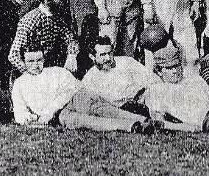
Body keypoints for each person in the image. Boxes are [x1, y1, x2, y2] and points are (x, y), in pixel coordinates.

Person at [11, 45, 159, 133]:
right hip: (61, 115)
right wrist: (28, 118)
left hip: (76, 99)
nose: (36, 65)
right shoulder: (19, 84)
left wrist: (50, 110)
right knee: (83, 121)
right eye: (31, 61)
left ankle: (144, 120)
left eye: (39, 60)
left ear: (43, 59)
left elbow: (73, 87)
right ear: (23, 61)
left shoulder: (56, 71)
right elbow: (19, 112)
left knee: (103, 110)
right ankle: (133, 126)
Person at [8, 0, 79, 76]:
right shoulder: (30, 20)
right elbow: (13, 56)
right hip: (29, 74)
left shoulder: (57, 19)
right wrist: (28, 74)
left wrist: (72, 56)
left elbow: (71, 39)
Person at [81, 36, 160, 114]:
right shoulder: (89, 79)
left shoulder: (126, 62)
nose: (108, 58)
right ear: (92, 56)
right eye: (103, 55)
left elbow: (153, 79)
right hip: (119, 114)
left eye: (110, 53)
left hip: (144, 103)